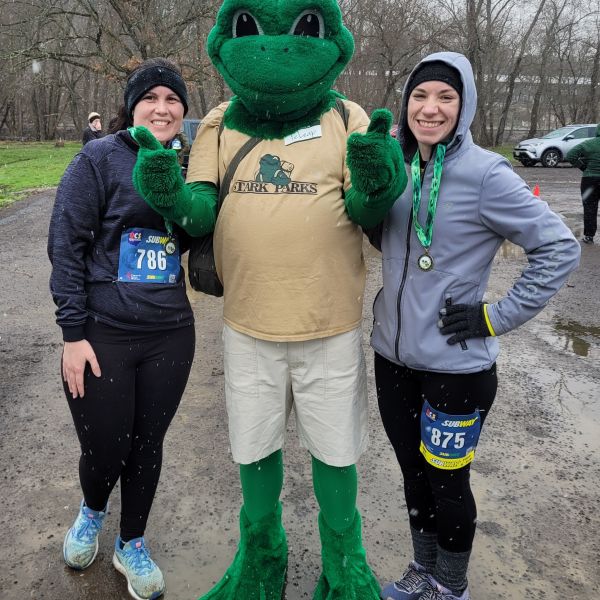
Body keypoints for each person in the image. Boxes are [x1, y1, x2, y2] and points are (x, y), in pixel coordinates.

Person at [130, 0, 407, 597]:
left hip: (328, 325)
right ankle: (261, 558)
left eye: (305, 29)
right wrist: (169, 192)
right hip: (249, 324)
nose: (277, 50)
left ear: (331, 36)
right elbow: (200, 208)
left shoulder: (347, 115)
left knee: (335, 451)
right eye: (252, 30)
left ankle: (344, 567)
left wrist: (381, 178)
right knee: (253, 446)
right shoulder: (219, 122)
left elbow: (364, 208)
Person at [372, 52, 581, 600]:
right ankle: (423, 572)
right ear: (406, 104)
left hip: (455, 368)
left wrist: (494, 316)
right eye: (420, 96)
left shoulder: (486, 173)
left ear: (463, 107)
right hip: (392, 359)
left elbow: (559, 248)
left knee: (446, 482)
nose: (430, 107)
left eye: (445, 96)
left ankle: (452, 587)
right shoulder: (396, 167)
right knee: (412, 476)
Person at [48, 58, 201, 600]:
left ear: (184, 111)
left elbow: (201, 231)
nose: (161, 109)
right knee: (105, 446)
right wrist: (72, 333)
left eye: (172, 100)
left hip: (169, 332)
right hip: (103, 330)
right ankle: (92, 511)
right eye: (150, 99)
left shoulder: (192, 165)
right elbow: (66, 246)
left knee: (147, 444)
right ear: (131, 107)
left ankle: (130, 542)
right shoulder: (98, 159)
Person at [566, 124, 600, 244]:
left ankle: (589, 236)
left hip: (589, 179)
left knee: (590, 207)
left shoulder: (588, 143)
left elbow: (570, 155)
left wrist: (583, 166)